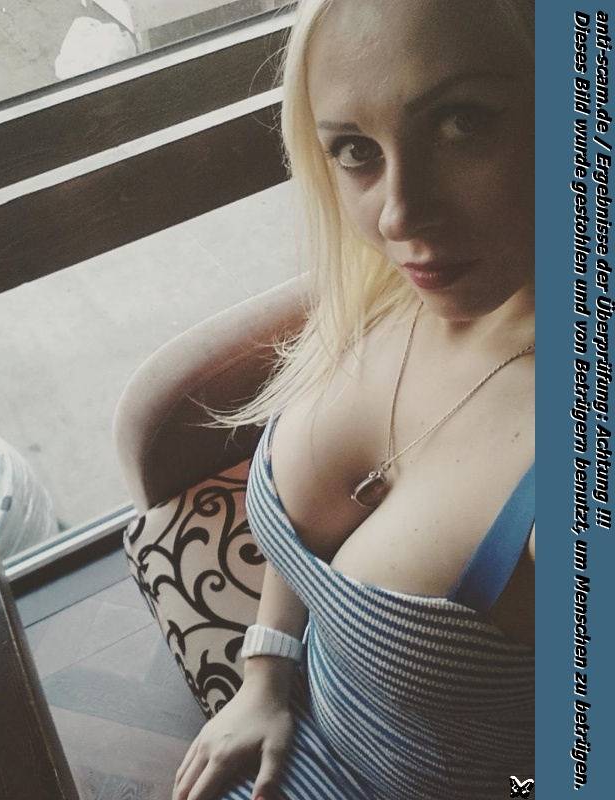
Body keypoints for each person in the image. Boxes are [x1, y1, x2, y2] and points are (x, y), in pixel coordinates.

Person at [172, 0, 535, 798]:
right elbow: (308, 542)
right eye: (355, 149)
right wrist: (266, 674)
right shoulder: (392, 289)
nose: (398, 215)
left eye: (463, 123)